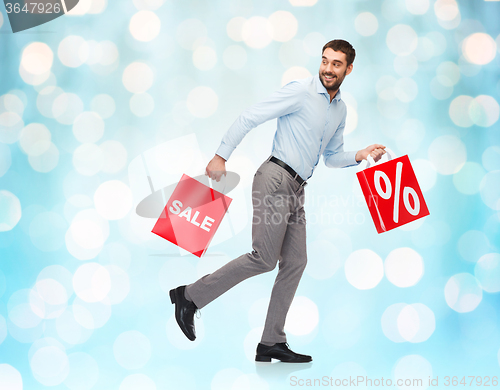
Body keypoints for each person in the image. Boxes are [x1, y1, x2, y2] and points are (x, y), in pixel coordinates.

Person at [169, 39, 386, 363]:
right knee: (264, 258)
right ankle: (189, 296)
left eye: (336, 64)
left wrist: (360, 154)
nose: (328, 68)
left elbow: (330, 157)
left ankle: (271, 341)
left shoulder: (340, 110)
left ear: (348, 69)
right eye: (325, 61)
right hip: (274, 178)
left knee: (296, 261)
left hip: (298, 188)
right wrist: (220, 156)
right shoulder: (300, 91)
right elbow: (250, 116)